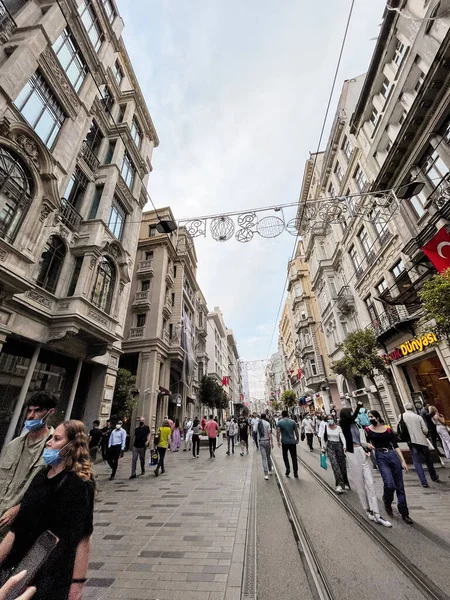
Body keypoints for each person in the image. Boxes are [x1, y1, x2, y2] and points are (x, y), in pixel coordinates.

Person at [0, 420, 95, 600]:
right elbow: (16, 528)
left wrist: (76, 586)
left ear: (71, 446)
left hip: (49, 576)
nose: (49, 442)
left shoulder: (78, 484)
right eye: (51, 437)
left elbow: (83, 537)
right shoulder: (41, 476)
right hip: (17, 568)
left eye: (57, 439)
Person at [0, 392, 57, 531]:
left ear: (50, 412)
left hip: (24, 524)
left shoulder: (54, 448)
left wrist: (19, 508)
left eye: (37, 411)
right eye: (29, 410)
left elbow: (52, 490)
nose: (31, 416)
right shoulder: (13, 445)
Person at [339, 404, 391, 526]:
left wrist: (367, 446)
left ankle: (376, 513)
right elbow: (346, 440)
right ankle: (367, 509)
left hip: (361, 453)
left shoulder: (356, 425)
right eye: (351, 413)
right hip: (352, 455)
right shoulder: (343, 424)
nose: (354, 415)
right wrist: (358, 407)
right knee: (360, 484)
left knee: (370, 483)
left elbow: (362, 440)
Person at [366, 410, 412, 524]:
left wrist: (403, 461)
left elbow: (395, 445)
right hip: (380, 456)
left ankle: (404, 513)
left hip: (392, 455)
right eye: (369, 417)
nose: (370, 418)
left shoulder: (387, 429)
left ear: (377, 417)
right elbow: (365, 443)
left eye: (372, 416)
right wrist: (367, 447)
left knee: (400, 485)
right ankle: (387, 501)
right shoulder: (367, 430)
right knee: (389, 484)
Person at [401, 403, 440, 487]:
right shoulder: (418, 417)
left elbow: (399, 429)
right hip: (422, 441)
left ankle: (423, 482)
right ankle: (433, 476)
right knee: (428, 460)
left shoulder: (401, 416)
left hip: (411, 442)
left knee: (417, 462)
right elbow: (425, 430)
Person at [321, 414, 349, 493]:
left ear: (334, 419)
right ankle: (339, 485)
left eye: (331, 418)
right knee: (334, 465)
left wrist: (344, 446)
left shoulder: (338, 428)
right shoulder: (326, 428)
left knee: (342, 466)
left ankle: (345, 482)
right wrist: (323, 447)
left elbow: (342, 437)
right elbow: (323, 438)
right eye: (328, 419)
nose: (330, 420)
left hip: (339, 446)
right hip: (330, 447)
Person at [276, 410, 299, 478]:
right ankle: (295, 472)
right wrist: (297, 439)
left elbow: (278, 432)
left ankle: (287, 469)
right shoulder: (293, 422)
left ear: (282, 415)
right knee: (294, 457)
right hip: (292, 442)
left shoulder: (279, 422)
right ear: (288, 414)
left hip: (284, 442)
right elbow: (296, 431)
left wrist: (278, 441)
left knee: (285, 456)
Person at [257, 415, 274, 480]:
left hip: (261, 441)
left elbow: (256, 432)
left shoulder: (259, 423)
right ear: (265, 417)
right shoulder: (267, 423)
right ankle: (270, 470)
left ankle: (266, 474)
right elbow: (269, 433)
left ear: (261, 417)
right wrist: (272, 442)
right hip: (267, 441)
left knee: (264, 458)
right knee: (268, 456)